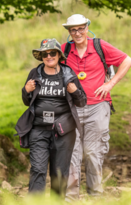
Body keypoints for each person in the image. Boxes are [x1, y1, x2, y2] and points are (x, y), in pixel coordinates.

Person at [60, 14, 131, 201]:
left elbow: (127, 61)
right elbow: (49, 64)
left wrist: (110, 84)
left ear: (87, 27)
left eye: (81, 28)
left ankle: (96, 199)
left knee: (93, 152)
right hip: (71, 110)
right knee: (71, 155)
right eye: (73, 30)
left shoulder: (100, 46)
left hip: (98, 107)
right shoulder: (64, 50)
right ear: (69, 32)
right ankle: (71, 201)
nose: (77, 33)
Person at [15, 38, 87, 197]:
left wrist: (74, 90)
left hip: (63, 132)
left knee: (60, 172)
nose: (48, 56)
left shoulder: (68, 73)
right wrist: (26, 90)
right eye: (45, 54)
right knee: (38, 169)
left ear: (59, 55)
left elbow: (82, 101)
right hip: (38, 130)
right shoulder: (35, 73)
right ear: (41, 56)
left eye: (52, 53)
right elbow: (27, 102)